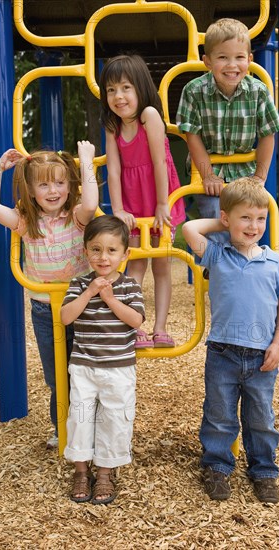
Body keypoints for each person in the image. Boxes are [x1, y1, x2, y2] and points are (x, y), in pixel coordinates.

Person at [182, 178, 279, 504]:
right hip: (223, 353)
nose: (254, 225)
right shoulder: (218, 256)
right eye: (245, 218)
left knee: (261, 417)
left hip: (263, 354)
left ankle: (264, 471)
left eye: (260, 218)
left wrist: (278, 344)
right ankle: (217, 466)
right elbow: (190, 229)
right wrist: (225, 220)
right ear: (227, 218)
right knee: (219, 415)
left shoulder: (275, 261)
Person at [0, 141, 99, 449]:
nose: (53, 190)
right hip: (46, 309)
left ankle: (93, 430)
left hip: (83, 305)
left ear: (69, 185)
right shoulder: (26, 222)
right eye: (44, 184)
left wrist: (85, 161)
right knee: (56, 376)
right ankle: (62, 428)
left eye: (60, 182)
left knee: (87, 372)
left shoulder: (77, 217)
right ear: (31, 191)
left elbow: (90, 203)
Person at [99, 54, 186, 348]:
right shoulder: (112, 125)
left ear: (140, 88)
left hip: (158, 196)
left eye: (125, 88)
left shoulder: (148, 115)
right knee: (135, 266)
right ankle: (136, 327)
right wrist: (119, 208)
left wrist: (163, 203)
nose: (118, 96)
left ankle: (160, 329)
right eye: (111, 90)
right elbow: (113, 169)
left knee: (161, 264)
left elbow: (160, 162)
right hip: (133, 203)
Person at [60, 215, 145, 505]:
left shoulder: (130, 286)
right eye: (96, 249)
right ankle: (81, 471)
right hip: (84, 367)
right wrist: (89, 293)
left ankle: (106, 471)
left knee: (114, 419)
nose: (103, 257)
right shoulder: (79, 283)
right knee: (81, 418)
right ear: (86, 251)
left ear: (125, 254)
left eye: (111, 250)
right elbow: (66, 317)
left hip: (119, 369)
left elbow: (135, 320)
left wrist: (109, 299)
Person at [176, 18, 279, 225]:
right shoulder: (194, 91)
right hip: (208, 170)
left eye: (239, 57)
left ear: (249, 59)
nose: (232, 65)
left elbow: (268, 135)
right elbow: (193, 136)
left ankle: (245, 256)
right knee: (217, 219)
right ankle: (218, 257)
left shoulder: (258, 92)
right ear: (208, 61)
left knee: (247, 223)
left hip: (245, 173)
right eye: (223, 57)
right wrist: (207, 175)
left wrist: (260, 178)